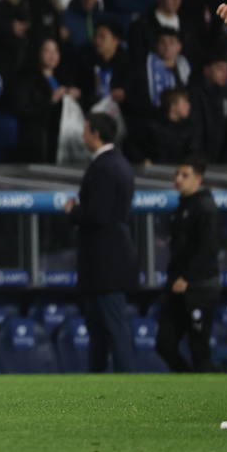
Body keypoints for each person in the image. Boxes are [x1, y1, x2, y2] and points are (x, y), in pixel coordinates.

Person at [66, 113, 137, 373]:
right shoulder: (119, 163)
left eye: (85, 130)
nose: (83, 135)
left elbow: (98, 215)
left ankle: (126, 379)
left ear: (96, 133)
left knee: (114, 326)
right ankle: (97, 379)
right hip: (107, 261)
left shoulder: (104, 167)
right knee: (99, 327)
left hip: (106, 262)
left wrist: (73, 211)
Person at [157, 157, 220, 372]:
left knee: (199, 349)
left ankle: (209, 395)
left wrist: (188, 278)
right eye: (176, 174)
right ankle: (188, 380)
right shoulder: (182, 207)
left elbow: (208, 249)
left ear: (198, 179)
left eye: (185, 175)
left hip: (199, 288)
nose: (178, 179)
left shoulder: (205, 208)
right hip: (176, 285)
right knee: (164, 344)